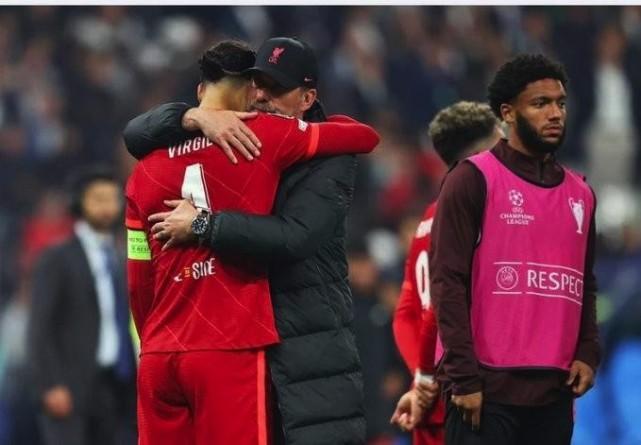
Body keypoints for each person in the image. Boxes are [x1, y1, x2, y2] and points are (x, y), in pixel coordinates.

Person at [125, 40, 378, 445]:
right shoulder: (261, 136)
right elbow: (364, 135)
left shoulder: (145, 169)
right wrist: (196, 118)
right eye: (256, 84)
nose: (261, 96)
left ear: (308, 98)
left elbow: (139, 276)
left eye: (275, 88)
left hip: (294, 358)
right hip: (233, 344)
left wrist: (153, 337)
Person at [429, 54, 600, 445]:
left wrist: (589, 351)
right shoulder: (472, 179)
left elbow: (585, 283)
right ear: (507, 113)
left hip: (554, 392)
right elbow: (447, 282)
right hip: (484, 389)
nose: (555, 114)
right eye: (540, 104)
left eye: (560, 103)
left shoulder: (582, 194)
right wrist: (463, 377)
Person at [390, 102, 503, 444]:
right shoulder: (483, 216)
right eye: (501, 142)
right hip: (473, 400)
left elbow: (406, 313)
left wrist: (422, 379)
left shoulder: (428, 216)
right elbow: (443, 306)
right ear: (482, 154)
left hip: (431, 403)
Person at [28, 168, 136, 445]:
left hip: (114, 386)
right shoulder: (57, 258)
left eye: (112, 198)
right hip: (70, 386)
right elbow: (40, 327)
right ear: (79, 202)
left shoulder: (120, 258)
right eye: (97, 198)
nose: (106, 207)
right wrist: (50, 383)